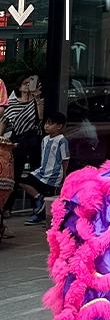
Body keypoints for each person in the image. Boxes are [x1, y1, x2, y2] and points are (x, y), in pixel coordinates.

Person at [1, 75, 43, 220]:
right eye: (25, 84)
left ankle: (37, 207)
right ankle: (7, 207)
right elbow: (5, 121)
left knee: (34, 172)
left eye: (29, 83)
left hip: (33, 140)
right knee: (15, 174)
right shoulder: (12, 103)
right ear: (19, 87)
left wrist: (37, 100)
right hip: (18, 141)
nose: (27, 86)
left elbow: (41, 120)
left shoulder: (36, 102)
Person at [20, 112, 69, 225]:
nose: (46, 126)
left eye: (50, 124)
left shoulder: (62, 141)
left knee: (49, 199)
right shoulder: (45, 139)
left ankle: (39, 215)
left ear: (59, 126)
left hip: (54, 174)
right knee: (22, 181)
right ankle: (39, 198)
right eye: (46, 123)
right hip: (41, 171)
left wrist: (64, 175)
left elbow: (65, 159)